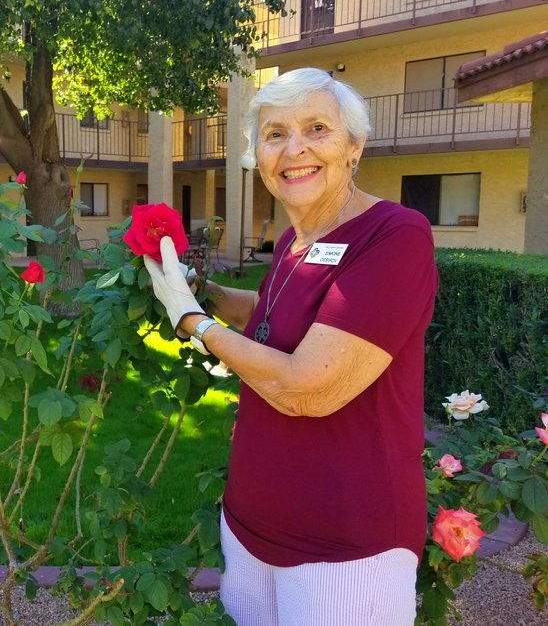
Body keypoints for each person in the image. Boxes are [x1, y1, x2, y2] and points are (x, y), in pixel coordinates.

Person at [145, 67, 438, 625]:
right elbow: (273, 313)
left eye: (317, 128)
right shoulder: (293, 242)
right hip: (250, 529)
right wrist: (201, 289)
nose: (294, 148)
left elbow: (308, 388)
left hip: (345, 547)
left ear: (354, 147)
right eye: (275, 134)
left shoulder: (394, 235)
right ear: (258, 157)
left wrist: (193, 320)